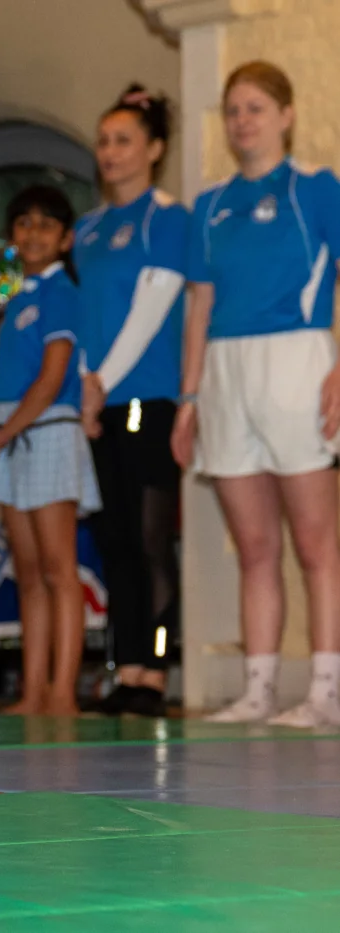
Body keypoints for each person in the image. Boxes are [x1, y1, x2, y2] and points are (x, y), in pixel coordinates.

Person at [174, 62, 340, 727]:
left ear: (286, 115)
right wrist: (189, 399)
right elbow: (198, 305)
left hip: (297, 360)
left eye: (256, 108)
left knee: (315, 542)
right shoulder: (210, 206)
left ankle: (326, 691)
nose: (243, 121)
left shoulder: (315, 189)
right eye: (234, 109)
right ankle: (258, 689)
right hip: (224, 372)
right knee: (254, 545)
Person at [77, 85, 188, 718]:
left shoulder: (166, 217)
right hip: (100, 405)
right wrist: (87, 385)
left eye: (124, 140)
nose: (111, 152)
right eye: (104, 141)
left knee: (150, 539)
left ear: (154, 149)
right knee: (115, 539)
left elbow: (152, 308)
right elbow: (85, 316)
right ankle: (127, 666)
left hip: (146, 396)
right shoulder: (88, 229)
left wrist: (101, 382)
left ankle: (156, 670)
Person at [0, 186, 100, 716]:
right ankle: (34, 692)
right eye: (23, 223)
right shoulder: (17, 295)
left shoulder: (60, 291)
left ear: (66, 239)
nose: (33, 233)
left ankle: (63, 692)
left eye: (46, 225)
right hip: (12, 433)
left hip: (45, 431)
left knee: (57, 568)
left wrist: (3, 433)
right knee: (27, 571)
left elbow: (51, 378)